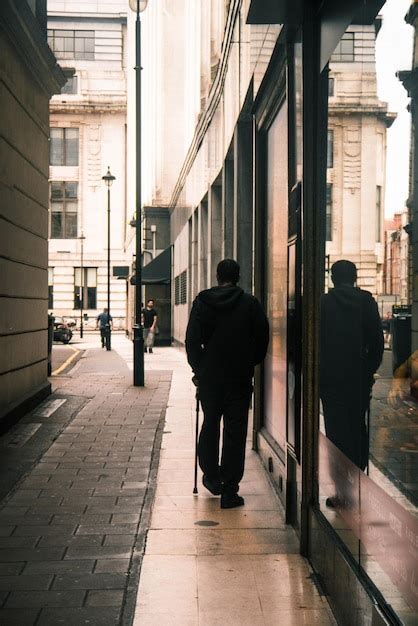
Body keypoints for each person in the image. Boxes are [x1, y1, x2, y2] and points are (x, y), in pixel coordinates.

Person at [185, 259, 269, 509]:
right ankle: (230, 491)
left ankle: (211, 476)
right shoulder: (249, 303)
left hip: (211, 377)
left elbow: (192, 341)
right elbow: (262, 337)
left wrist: (199, 369)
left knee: (210, 424)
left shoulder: (202, 301)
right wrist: (250, 361)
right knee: (235, 432)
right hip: (239, 377)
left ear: (217, 276)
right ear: (239, 276)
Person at [320, 260, 384, 506]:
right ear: (355, 278)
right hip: (356, 379)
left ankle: (341, 491)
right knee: (358, 428)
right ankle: (358, 480)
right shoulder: (366, 301)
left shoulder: (324, 303)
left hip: (331, 379)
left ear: (333, 278)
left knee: (336, 433)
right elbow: (377, 343)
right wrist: (367, 371)